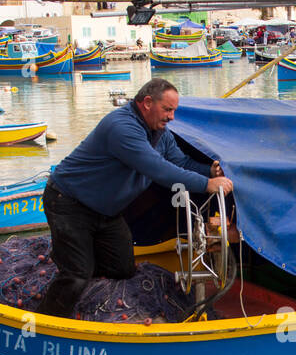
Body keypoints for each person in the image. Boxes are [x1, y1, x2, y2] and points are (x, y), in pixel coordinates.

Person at [37, 78, 233, 319]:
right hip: (68, 203)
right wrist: (207, 185)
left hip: (106, 213)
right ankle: (43, 323)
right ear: (148, 102)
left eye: (174, 111)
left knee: (122, 269)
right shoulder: (121, 127)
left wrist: (209, 171)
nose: (172, 117)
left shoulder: (161, 133)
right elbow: (158, 169)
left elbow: (180, 162)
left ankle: (80, 270)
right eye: (167, 109)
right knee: (76, 275)